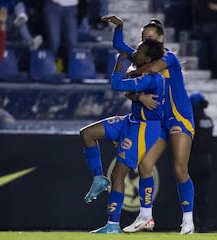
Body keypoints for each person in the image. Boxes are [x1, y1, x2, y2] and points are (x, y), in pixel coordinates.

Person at [100, 16, 196, 234]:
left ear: (161, 38)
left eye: (151, 37)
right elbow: (122, 52)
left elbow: (152, 69)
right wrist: (120, 28)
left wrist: (136, 70)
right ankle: (145, 217)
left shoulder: (168, 58)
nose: (147, 41)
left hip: (179, 118)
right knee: (144, 166)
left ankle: (188, 221)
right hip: (158, 120)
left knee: (180, 169)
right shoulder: (144, 56)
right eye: (144, 38)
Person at [80, 39, 165, 234]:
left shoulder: (150, 78)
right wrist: (119, 27)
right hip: (131, 120)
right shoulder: (144, 72)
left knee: (119, 173)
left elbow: (117, 84)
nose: (135, 53)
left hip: (143, 127)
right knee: (87, 133)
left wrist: (120, 60)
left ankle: (113, 224)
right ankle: (98, 179)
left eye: (139, 51)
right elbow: (119, 44)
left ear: (148, 58)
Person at [188, 91, 214, 233]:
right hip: (206, 161)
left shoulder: (191, 119)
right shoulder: (208, 120)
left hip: (193, 160)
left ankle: (192, 223)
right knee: (203, 195)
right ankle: (203, 224)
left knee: (190, 194)